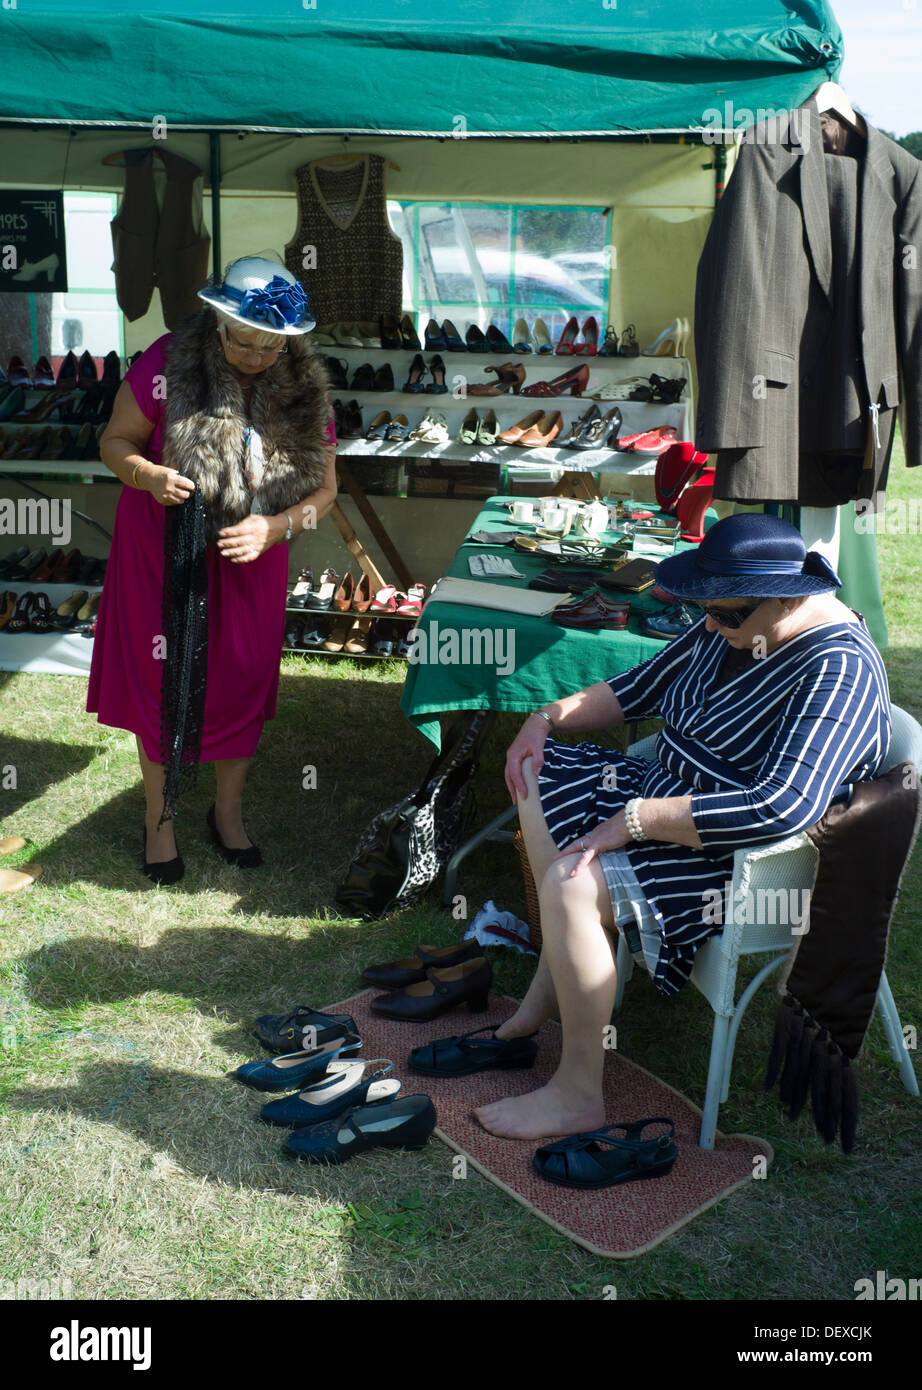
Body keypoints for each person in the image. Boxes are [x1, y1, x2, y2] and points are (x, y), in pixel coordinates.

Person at [472, 513, 892, 1140]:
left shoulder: (837, 669)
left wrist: (638, 821)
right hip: (665, 794)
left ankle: (576, 1093)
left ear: (787, 595)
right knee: (532, 771)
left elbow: (781, 807)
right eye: (709, 610)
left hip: (732, 853)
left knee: (570, 883)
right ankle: (550, 982)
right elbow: (640, 687)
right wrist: (545, 718)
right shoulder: (733, 620)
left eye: (725, 613)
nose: (712, 623)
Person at [87, 256, 338, 884]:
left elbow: (326, 494)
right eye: (242, 341)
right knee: (160, 679)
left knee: (241, 680)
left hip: (250, 557)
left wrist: (277, 528)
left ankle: (227, 813)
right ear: (219, 323)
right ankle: (159, 821)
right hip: (162, 552)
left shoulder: (305, 389)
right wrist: (145, 474)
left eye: (270, 345)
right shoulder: (170, 362)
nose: (254, 355)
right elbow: (114, 443)